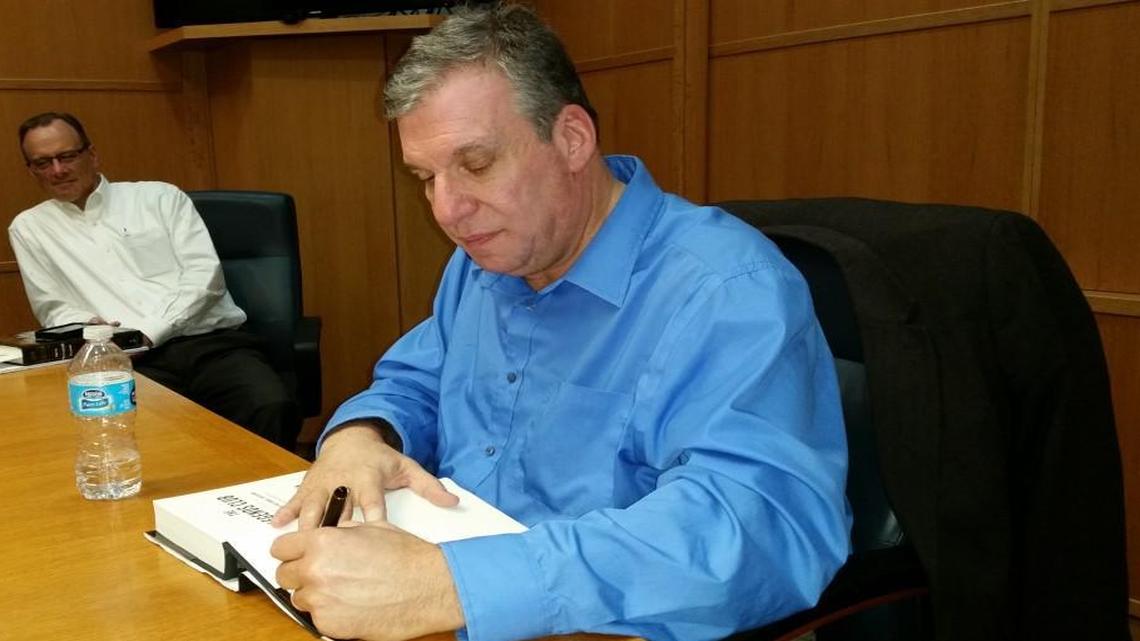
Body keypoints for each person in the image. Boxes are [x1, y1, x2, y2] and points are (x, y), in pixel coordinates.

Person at [269, 4, 851, 641]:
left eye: (477, 163)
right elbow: (416, 383)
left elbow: (758, 525)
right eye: (426, 178)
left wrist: (453, 584)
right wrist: (361, 437)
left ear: (572, 139)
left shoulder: (725, 288)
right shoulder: (485, 261)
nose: (448, 209)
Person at [9, 112, 301, 449]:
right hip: (124, 359)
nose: (57, 170)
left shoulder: (160, 198)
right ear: (31, 170)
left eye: (67, 156)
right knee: (142, 435)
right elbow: (52, 306)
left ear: (91, 154)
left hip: (210, 344)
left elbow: (205, 280)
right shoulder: (29, 228)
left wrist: (149, 331)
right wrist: (87, 328)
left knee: (269, 406)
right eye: (43, 163)